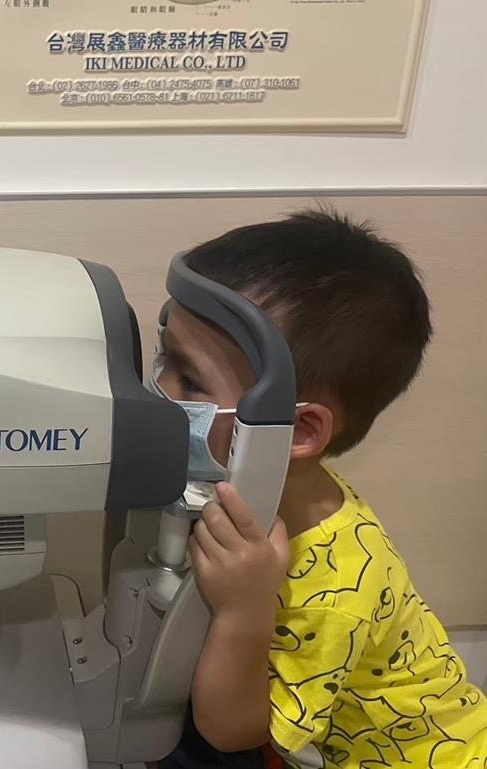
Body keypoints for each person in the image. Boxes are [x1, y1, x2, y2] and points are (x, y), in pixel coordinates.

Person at [151, 211, 486, 768]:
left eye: (189, 380)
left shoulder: (334, 591)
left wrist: (244, 611)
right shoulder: (263, 490)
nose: (159, 391)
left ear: (298, 430)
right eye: (165, 357)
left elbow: (234, 731)